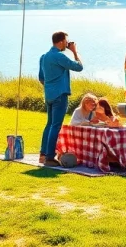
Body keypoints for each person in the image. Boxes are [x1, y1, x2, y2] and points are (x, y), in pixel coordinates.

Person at [38, 31, 83, 166]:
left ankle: (43, 154)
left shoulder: (44, 57)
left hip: (49, 95)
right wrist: (75, 51)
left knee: (49, 124)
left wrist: (50, 87)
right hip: (60, 95)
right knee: (56, 126)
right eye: (66, 41)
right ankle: (50, 157)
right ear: (62, 41)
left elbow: (41, 78)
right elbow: (79, 67)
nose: (67, 44)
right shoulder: (60, 56)